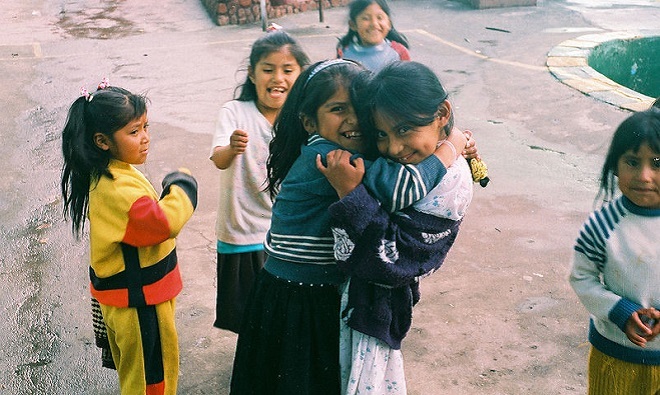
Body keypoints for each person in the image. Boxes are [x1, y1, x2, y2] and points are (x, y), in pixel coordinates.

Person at [229, 59, 467, 395]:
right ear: (310, 120)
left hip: (290, 288)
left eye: (359, 110)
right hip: (301, 294)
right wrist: (450, 146)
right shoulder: (331, 159)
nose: (354, 120)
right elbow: (401, 189)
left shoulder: (337, 149)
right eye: (338, 109)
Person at [318, 60, 474, 394]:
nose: (393, 149)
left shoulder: (451, 184)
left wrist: (350, 193)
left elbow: (397, 259)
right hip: (354, 298)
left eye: (404, 130)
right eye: (382, 135)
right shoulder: (416, 160)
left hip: (378, 307)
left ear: (442, 114)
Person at [60, 80, 198, 395]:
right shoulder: (119, 189)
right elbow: (163, 223)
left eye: (145, 127)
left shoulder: (110, 171)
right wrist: (182, 184)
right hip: (140, 304)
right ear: (102, 141)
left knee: (137, 375)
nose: (145, 137)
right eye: (134, 132)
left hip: (128, 300)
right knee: (153, 382)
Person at [209, 30, 309, 333]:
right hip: (241, 232)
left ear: (301, 75)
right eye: (268, 69)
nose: (277, 78)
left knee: (282, 312)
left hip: (284, 234)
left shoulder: (302, 119)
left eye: (288, 70)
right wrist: (231, 147)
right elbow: (218, 158)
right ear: (252, 74)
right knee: (248, 315)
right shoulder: (234, 112)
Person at [569, 108, 660, 395]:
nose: (644, 176)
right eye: (632, 162)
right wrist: (619, 312)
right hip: (615, 353)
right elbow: (582, 277)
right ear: (614, 166)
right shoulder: (602, 224)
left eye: (657, 163)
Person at [336, 0, 410, 73]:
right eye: (366, 18)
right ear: (353, 25)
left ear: (389, 23)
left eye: (379, 17)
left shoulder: (399, 53)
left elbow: (410, 82)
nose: (374, 24)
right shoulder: (344, 53)